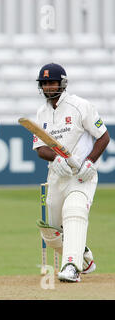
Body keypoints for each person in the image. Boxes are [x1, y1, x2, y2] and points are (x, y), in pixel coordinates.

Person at [33, 63, 110, 282]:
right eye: (45, 83)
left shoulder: (80, 106)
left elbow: (103, 137)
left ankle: (71, 267)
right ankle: (85, 258)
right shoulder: (42, 112)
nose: (48, 87)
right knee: (52, 233)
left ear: (62, 83)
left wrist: (89, 162)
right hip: (57, 176)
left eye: (52, 82)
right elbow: (40, 148)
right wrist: (55, 158)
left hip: (81, 175)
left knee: (75, 211)